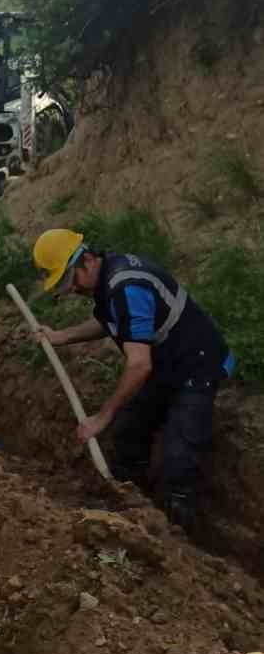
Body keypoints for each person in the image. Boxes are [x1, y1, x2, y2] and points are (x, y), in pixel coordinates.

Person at [31, 228, 234, 531]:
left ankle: (181, 546)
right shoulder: (108, 279)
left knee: (178, 463)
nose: (70, 289)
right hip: (165, 364)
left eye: (69, 280)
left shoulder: (126, 286)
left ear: (86, 259)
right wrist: (62, 336)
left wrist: (101, 417)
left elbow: (139, 366)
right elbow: (111, 321)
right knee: (128, 433)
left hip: (196, 365)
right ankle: (131, 506)